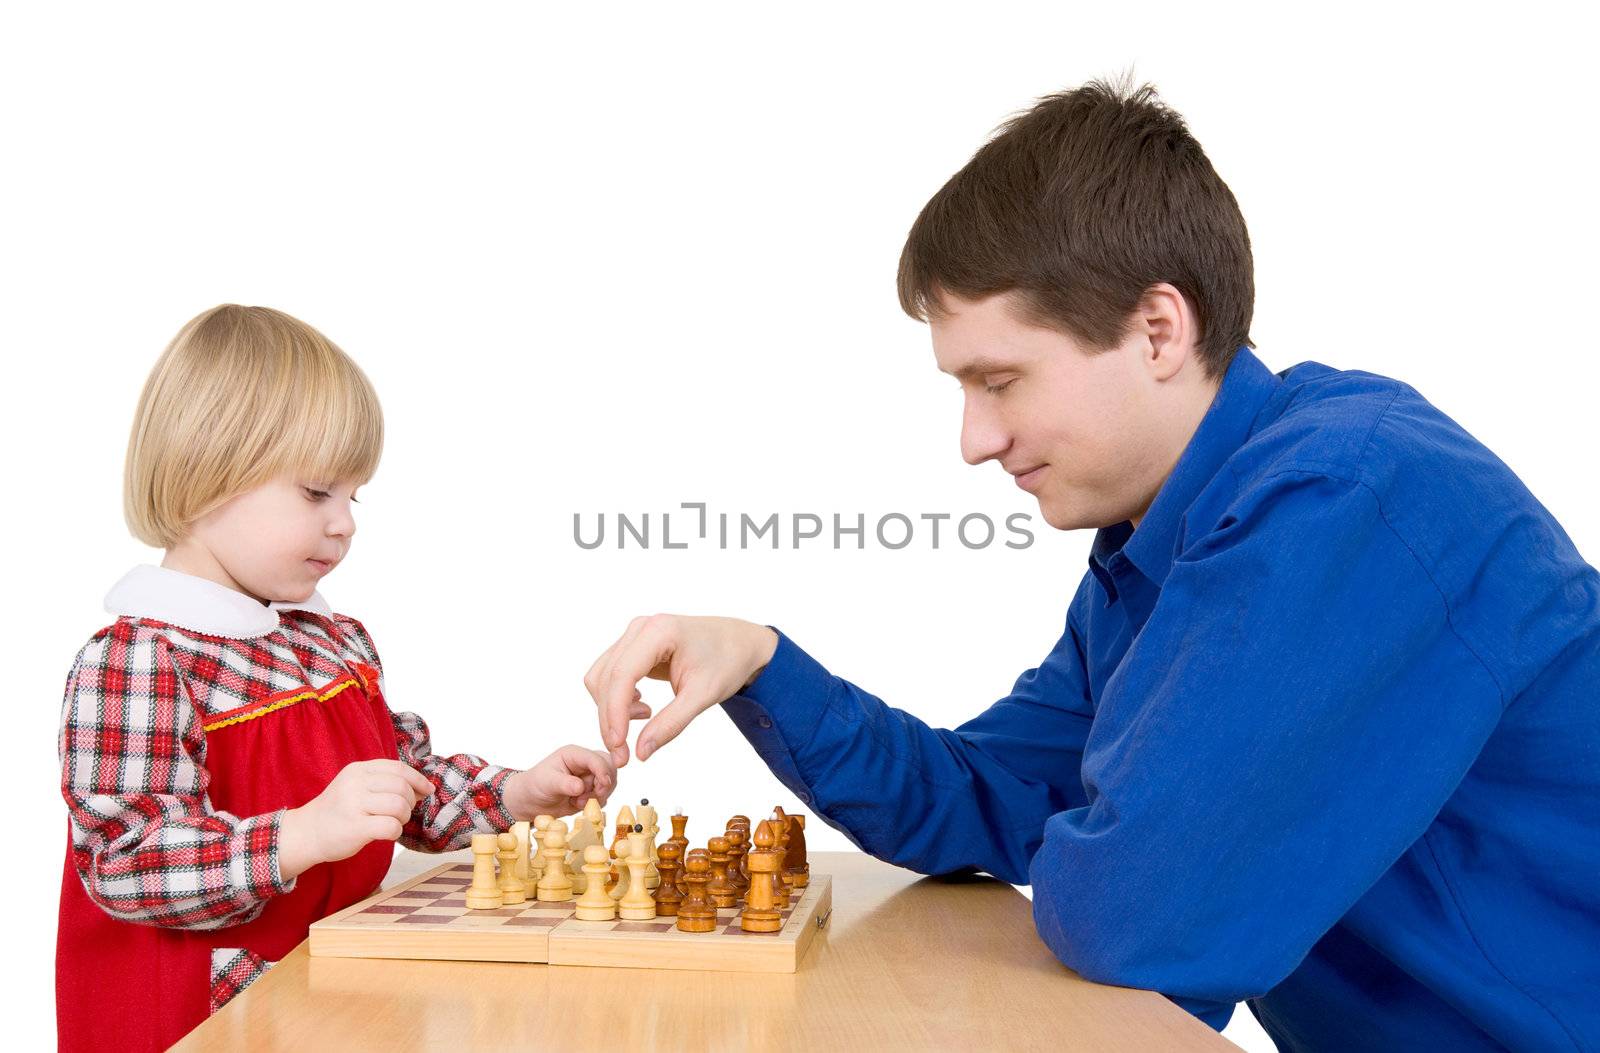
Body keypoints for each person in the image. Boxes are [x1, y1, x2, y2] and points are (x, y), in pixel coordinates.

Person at [584, 79, 1600, 1051]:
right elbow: (981, 798)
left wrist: (1106, 835)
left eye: (1000, 381)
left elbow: (1142, 914)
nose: (974, 440)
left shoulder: (1346, 497)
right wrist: (760, 660)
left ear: (1156, 330)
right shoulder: (1162, 545)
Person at [56, 305, 617, 1052]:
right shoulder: (139, 659)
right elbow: (124, 861)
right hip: (193, 1023)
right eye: (317, 492)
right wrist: (301, 834)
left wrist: (516, 793)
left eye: (355, 496)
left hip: (328, 1003)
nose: (345, 522)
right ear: (205, 477)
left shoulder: (334, 641)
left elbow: (403, 789)